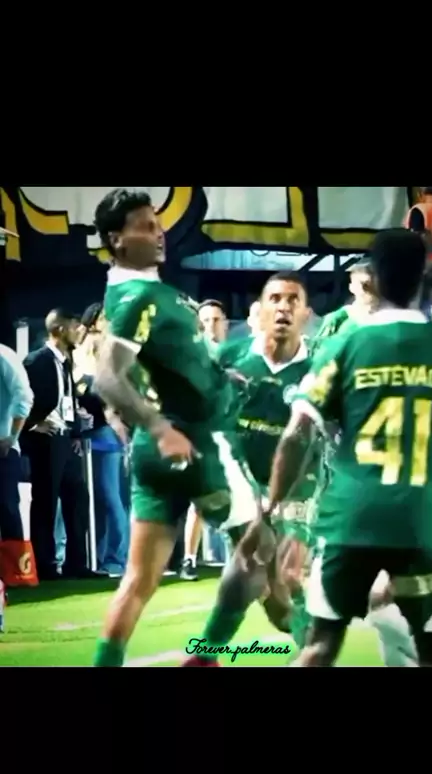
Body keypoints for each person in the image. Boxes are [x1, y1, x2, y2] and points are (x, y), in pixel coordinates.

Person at [256, 228, 432, 667]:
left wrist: (272, 506)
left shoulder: (343, 344)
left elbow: (298, 433)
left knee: (319, 646)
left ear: (373, 277)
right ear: (424, 277)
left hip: (351, 519)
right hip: (420, 520)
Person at [91, 188, 261, 667]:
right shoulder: (139, 296)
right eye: (145, 226)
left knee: (138, 580)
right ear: (116, 240)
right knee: (261, 553)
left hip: (159, 451)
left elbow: (168, 364)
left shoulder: (149, 292)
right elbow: (108, 375)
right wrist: (160, 426)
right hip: (194, 445)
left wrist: (218, 378)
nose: (159, 232)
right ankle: (212, 653)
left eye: (158, 222)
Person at [183, 271, 317, 665]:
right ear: (259, 311)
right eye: (275, 299)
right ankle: (311, 647)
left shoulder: (320, 366)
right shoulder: (230, 358)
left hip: (299, 483)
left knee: (286, 578)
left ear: (306, 314)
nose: (284, 308)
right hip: (242, 484)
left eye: (293, 300)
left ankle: (209, 654)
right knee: (267, 584)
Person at [21, 309, 97, 581]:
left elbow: (67, 401)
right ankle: (45, 565)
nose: (80, 331)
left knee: (77, 498)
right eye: (75, 326)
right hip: (44, 442)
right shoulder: (36, 361)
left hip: (65, 440)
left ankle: (77, 564)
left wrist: (75, 433)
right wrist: (32, 424)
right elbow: (20, 397)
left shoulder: (65, 362)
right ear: (60, 329)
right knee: (46, 502)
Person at [74, 303, 129, 577]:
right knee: (91, 499)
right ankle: (95, 556)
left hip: (105, 433)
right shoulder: (76, 354)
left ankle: (116, 559)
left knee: (110, 497)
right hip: (80, 436)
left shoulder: (110, 355)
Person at [181, 299, 229, 581]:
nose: (211, 325)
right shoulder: (192, 356)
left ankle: (239, 559)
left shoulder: (237, 353)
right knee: (199, 501)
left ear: (225, 323)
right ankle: (189, 559)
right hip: (204, 436)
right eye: (206, 320)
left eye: (216, 319)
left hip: (235, 436)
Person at [0, 343, 33, 540]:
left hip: (3, 447)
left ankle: (15, 560)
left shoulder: (3, 355)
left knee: (7, 509)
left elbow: (24, 396)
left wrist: (11, 437)